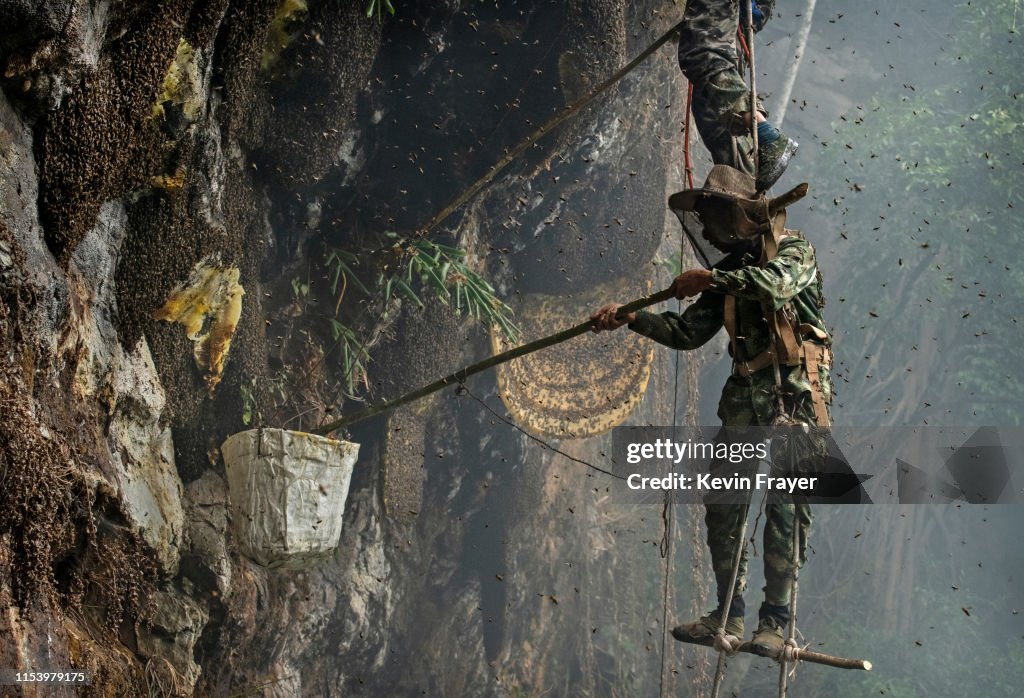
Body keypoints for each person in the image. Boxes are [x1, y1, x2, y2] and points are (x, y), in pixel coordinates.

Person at [590, 164, 832, 656]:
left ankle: (774, 621)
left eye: (717, 216)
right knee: (724, 505)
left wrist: (711, 277)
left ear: (742, 216)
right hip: (744, 399)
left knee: (787, 506)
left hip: (795, 394)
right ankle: (728, 614)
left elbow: (775, 285)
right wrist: (632, 319)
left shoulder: (793, 250)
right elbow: (686, 334)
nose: (712, 228)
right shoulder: (725, 279)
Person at [678, 0, 797, 192]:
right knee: (711, 110)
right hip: (739, 20)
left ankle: (765, 133)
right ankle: (741, 194)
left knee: (703, 55)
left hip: (739, 13)